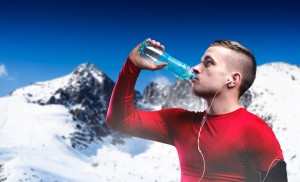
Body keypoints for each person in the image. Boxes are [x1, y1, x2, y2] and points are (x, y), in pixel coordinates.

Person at [106, 38, 287, 181]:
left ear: (233, 79)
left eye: (208, 63)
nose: (195, 68)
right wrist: (132, 66)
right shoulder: (177, 121)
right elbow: (120, 121)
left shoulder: (257, 131)